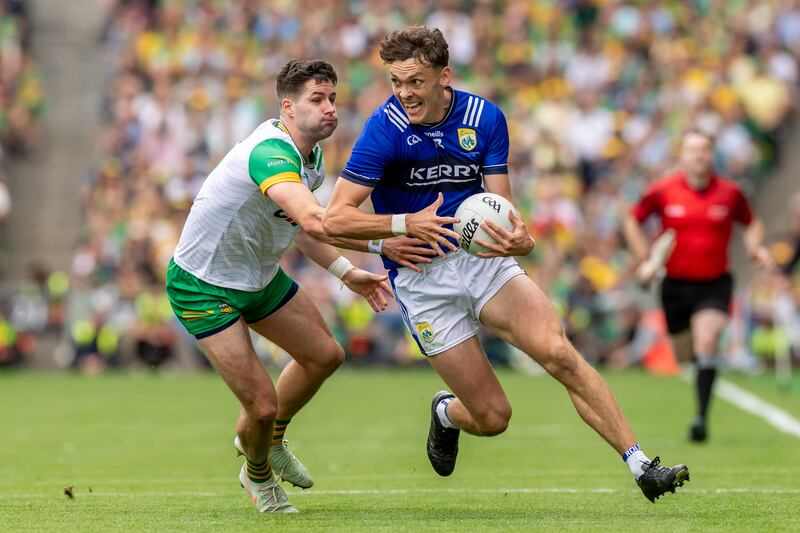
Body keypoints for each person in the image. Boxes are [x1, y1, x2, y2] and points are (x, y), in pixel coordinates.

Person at [323, 26, 689, 503]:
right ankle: (446, 414)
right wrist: (400, 227)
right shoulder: (384, 129)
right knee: (493, 418)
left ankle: (642, 466)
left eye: (414, 81)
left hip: (480, 263)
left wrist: (520, 238)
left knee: (558, 352)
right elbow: (335, 219)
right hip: (422, 279)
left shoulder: (485, 117)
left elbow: (503, 210)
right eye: (396, 82)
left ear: (444, 76)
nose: (404, 93)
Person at [166, 59, 429, 513]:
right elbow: (314, 219)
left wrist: (347, 272)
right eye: (317, 99)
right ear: (287, 107)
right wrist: (400, 227)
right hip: (204, 286)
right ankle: (259, 473)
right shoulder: (269, 151)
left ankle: (273, 440)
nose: (330, 108)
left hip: (258, 278)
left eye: (332, 99)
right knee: (261, 407)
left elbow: (303, 229)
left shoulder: (311, 160)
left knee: (325, 356)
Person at [624, 129, 772, 443]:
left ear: (712, 154)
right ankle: (700, 376)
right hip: (675, 285)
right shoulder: (663, 190)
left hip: (714, 283)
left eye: (705, 149)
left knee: (707, 340)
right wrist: (644, 257)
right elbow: (631, 219)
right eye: (693, 149)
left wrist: (755, 247)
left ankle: (701, 419)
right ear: (683, 155)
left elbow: (752, 223)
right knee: (684, 357)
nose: (699, 155)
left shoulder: (730, 192)